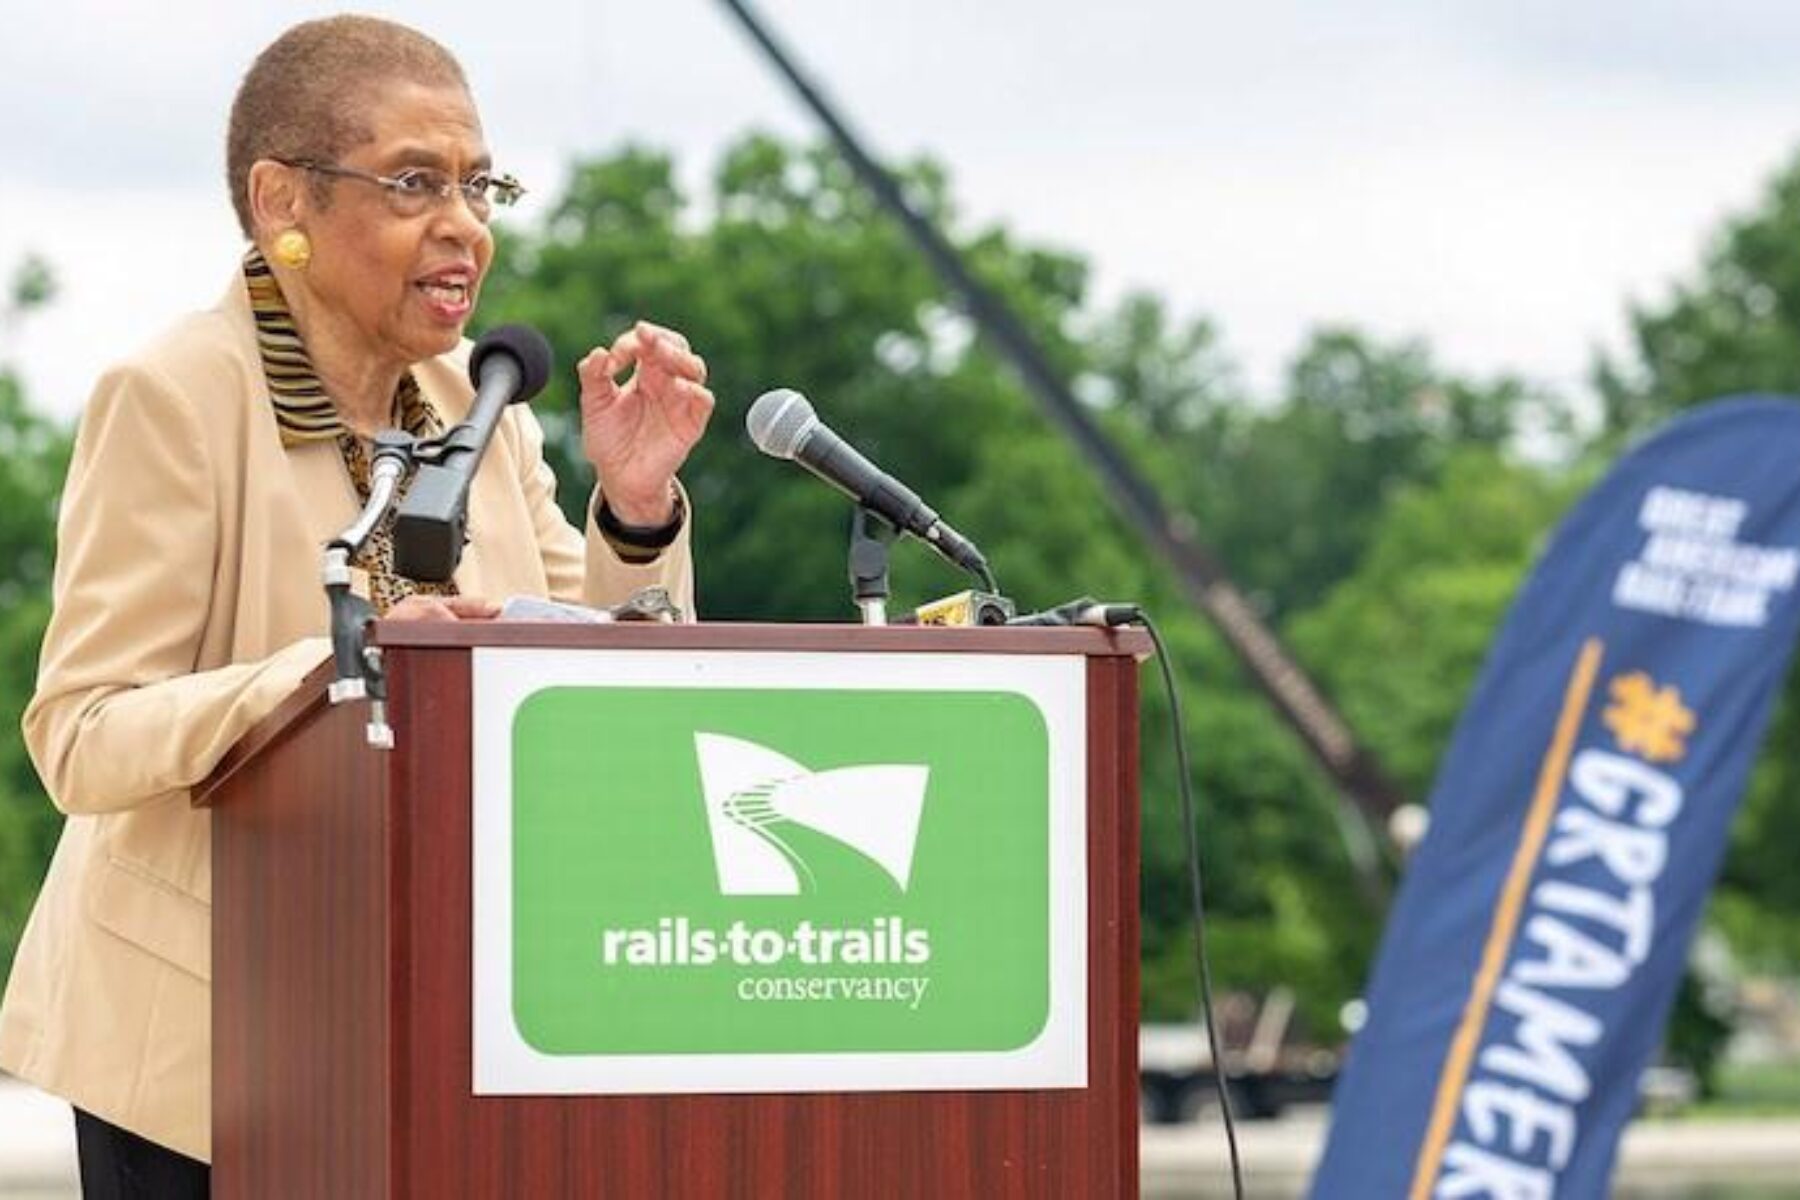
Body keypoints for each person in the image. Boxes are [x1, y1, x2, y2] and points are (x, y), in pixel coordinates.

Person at [0, 16, 713, 1196]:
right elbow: (82, 735)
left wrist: (634, 510)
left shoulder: (489, 403)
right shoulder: (173, 397)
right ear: (285, 199)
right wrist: (341, 671)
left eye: (478, 185)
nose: (466, 226)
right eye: (415, 183)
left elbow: (597, 682)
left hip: (448, 1017)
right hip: (206, 1049)